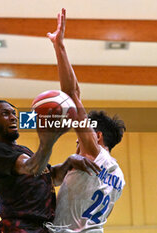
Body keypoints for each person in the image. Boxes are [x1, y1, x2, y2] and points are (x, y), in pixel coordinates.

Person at [45, 9, 126, 232]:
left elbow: (72, 95)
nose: (78, 143)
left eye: (82, 139)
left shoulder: (96, 157)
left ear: (97, 136)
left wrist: (59, 46)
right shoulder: (117, 177)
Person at [0, 100, 101, 233]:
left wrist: (69, 163)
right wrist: (47, 141)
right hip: (18, 228)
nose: (13, 117)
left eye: (14, 113)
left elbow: (51, 176)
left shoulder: (23, 150)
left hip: (40, 228)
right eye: (5, 114)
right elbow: (32, 167)